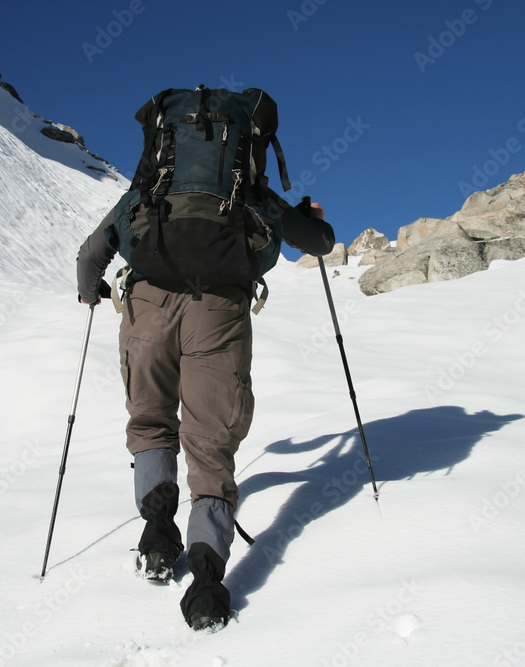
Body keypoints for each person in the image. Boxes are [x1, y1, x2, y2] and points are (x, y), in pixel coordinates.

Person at [77, 148, 335, 633]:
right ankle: (207, 588)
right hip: (218, 309)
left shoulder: (147, 194)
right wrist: (313, 221)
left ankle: (157, 538)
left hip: (146, 306)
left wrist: (89, 291)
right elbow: (317, 243)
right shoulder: (248, 193)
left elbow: (91, 254)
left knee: (151, 421)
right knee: (210, 445)